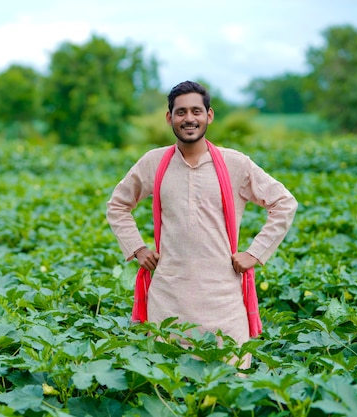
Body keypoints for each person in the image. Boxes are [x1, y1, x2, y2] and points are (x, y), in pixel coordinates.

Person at [106, 81, 297, 368]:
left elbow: (284, 203)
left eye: (196, 111)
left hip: (223, 299)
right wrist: (137, 248)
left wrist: (255, 253)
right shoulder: (153, 162)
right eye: (180, 112)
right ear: (169, 118)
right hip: (168, 300)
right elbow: (118, 205)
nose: (189, 118)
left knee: (229, 386)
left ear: (209, 115)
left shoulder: (236, 164)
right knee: (171, 385)